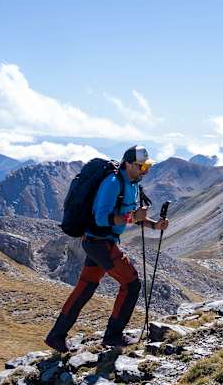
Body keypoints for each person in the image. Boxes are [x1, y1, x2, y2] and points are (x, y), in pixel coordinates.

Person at [45, 146, 168, 351]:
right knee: (131, 284)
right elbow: (101, 218)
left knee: (86, 288)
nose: (145, 171)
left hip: (100, 242)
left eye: (147, 166)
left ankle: (56, 336)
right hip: (98, 242)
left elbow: (132, 215)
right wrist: (132, 218)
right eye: (141, 166)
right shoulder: (113, 183)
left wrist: (154, 225)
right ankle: (113, 336)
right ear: (128, 164)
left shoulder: (133, 184)